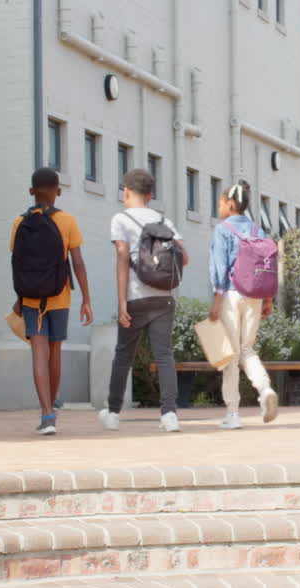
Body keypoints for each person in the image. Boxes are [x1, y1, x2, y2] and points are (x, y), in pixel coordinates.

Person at [100, 168, 188, 433]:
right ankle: (169, 414)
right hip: (164, 298)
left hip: (136, 298)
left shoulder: (120, 219)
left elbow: (122, 258)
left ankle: (113, 413)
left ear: (126, 192)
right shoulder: (164, 221)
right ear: (150, 195)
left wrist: (122, 301)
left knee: (123, 355)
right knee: (164, 355)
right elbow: (184, 256)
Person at [10, 168, 92, 435]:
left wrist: (20, 298)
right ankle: (51, 412)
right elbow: (77, 262)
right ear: (58, 191)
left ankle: (46, 414)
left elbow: (20, 265)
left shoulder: (19, 223)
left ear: (32, 192)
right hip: (60, 296)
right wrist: (86, 300)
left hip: (32, 299)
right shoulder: (67, 221)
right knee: (55, 352)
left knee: (38, 352)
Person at [209, 180, 279, 429]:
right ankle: (266, 390)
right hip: (255, 296)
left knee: (232, 355)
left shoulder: (223, 230)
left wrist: (216, 302)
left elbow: (218, 269)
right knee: (248, 350)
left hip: (230, 294)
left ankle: (233, 413)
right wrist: (268, 298)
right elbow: (267, 265)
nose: (218, 207)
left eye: (220, 203)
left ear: (230, 204)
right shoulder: (257, 231)